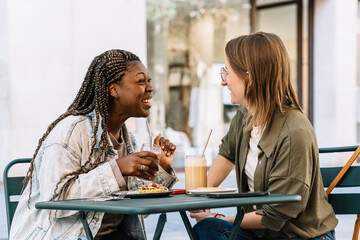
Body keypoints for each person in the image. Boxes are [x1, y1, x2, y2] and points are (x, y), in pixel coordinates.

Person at [10, 49, 178, 240]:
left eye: (149, 81)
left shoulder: (126, 138)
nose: (150, 87)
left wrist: (161, 167)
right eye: (141, 81)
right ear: (114, 89)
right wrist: (116, 168)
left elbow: (139, 209)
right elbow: (54, 202)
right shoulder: (71, 132)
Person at [190, 32, 337, 239]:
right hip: (261, 235)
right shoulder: (244, 116)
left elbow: (275, 215)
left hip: (298, 236)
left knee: (213, 226)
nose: (223, 82)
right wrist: (197, 196)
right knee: (207, 229)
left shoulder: (295, 132)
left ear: (249, 77)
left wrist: (220, 218)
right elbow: (226, 155)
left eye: (227, 72)